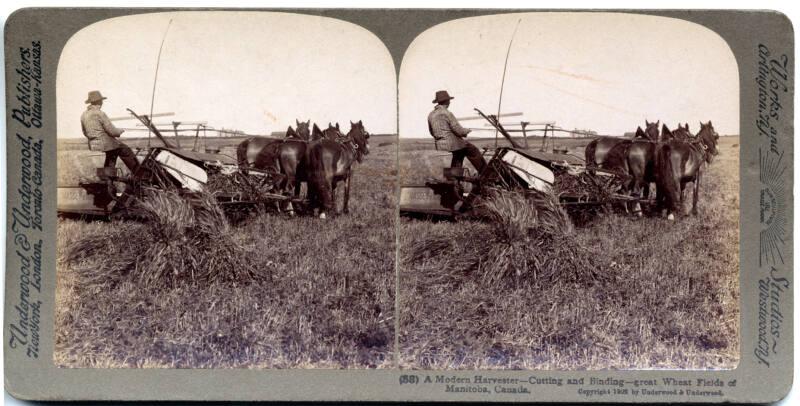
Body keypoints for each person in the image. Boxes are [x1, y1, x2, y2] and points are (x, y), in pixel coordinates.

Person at [427, 90, 486, 173]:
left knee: (459, 154)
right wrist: (466, 131)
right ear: (447, 101)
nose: (450, 102)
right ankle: (486, 174)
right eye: (449, 100)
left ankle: (453, 178)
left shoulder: (431, 115)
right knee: (473, 150)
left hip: (440, 144)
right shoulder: (447, 113)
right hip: (453, 143)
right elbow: (458, 131)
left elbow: (431, 132)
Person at [80, 90, 139, 173]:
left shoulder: (84, 115)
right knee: (125, 149)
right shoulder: (100, 114)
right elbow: (112, 131)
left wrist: (95, 137)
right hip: (106, 143)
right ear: (99, 102)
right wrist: (120, 131)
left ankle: (107, 178)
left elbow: (84, 132)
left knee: (112, 153)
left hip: (93, 144)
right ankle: (139, 174)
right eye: (101, 101)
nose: (102, 103)